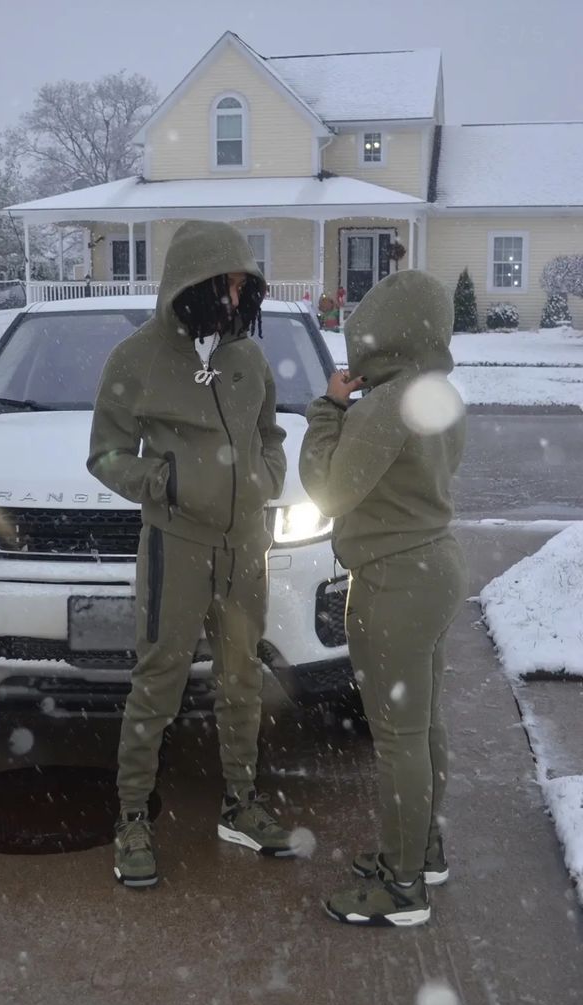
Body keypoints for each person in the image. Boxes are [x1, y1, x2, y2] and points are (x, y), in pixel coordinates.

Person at [89, 220, 297, 888]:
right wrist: (166, 483)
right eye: (226, 282)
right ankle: (130, 819)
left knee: (242, 682)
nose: (237, 295)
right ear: (193, 283)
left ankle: (240, 804)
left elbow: (271, 432)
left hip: (245, 549)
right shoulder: (137, 358)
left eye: (244, 283)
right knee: (158, 687)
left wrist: (266, 476)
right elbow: (107, 454)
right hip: (175, 548)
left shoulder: (250, 358)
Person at [299, 270, 468, 927]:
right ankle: (423, 855)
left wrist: (327, 412)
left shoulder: (382, 405)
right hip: (436, 567)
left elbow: (327, 494)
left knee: (397, 737)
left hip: (394, 581)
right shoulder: (439, 394)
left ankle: (402, 890)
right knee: (423, 726)